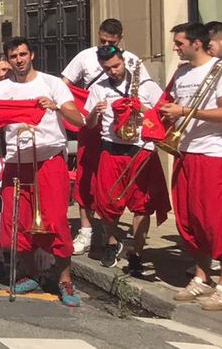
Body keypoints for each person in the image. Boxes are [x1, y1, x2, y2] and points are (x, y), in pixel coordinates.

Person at [0, 36, 84, 306]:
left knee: (55, 219)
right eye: (13, 56)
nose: (19, 60)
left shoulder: (52, 83)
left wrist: (55, 106)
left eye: (23, 54)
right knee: (15, 220)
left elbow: (77, 118)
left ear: (31, 55)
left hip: (48, 160)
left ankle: (65, 280)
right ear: (8, 60)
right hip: (16, 162)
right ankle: (29, 274)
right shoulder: (2, 89)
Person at [162, 22, 222, 311]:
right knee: (190, 220)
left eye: (179, 43)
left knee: (219, 221)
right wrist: (168, 117)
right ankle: (201, 276)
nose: (175, 48)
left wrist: (185, 112)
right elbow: (175, 106)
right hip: (185, 152)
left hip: (215, 154)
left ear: (197, 43)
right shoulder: (181, 72)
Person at [61, 18, 143, 256]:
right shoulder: (85, 56)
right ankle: (86, 231)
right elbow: (64, 84)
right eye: (102, 40)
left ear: (120, 40)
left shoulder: (134, 61)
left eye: (111, 41)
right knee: (86, 175)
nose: (105, 44)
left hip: (121, 129)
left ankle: (113, 234)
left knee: (117, 182)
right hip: (93, 121)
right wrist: (82, 104)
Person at [83, 45, 167, 275]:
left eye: (116, 66)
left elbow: (163, 114)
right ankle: (111, 243)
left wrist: (143, 109)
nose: (113, 71)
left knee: (142, 205)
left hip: (141, 150)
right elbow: (88, 124)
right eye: (107, 68)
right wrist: (94, 114)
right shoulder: (99, 89)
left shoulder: (147, 85)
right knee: (108, 204)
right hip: (112, 149)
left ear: (124, 62)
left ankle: (136, 253)